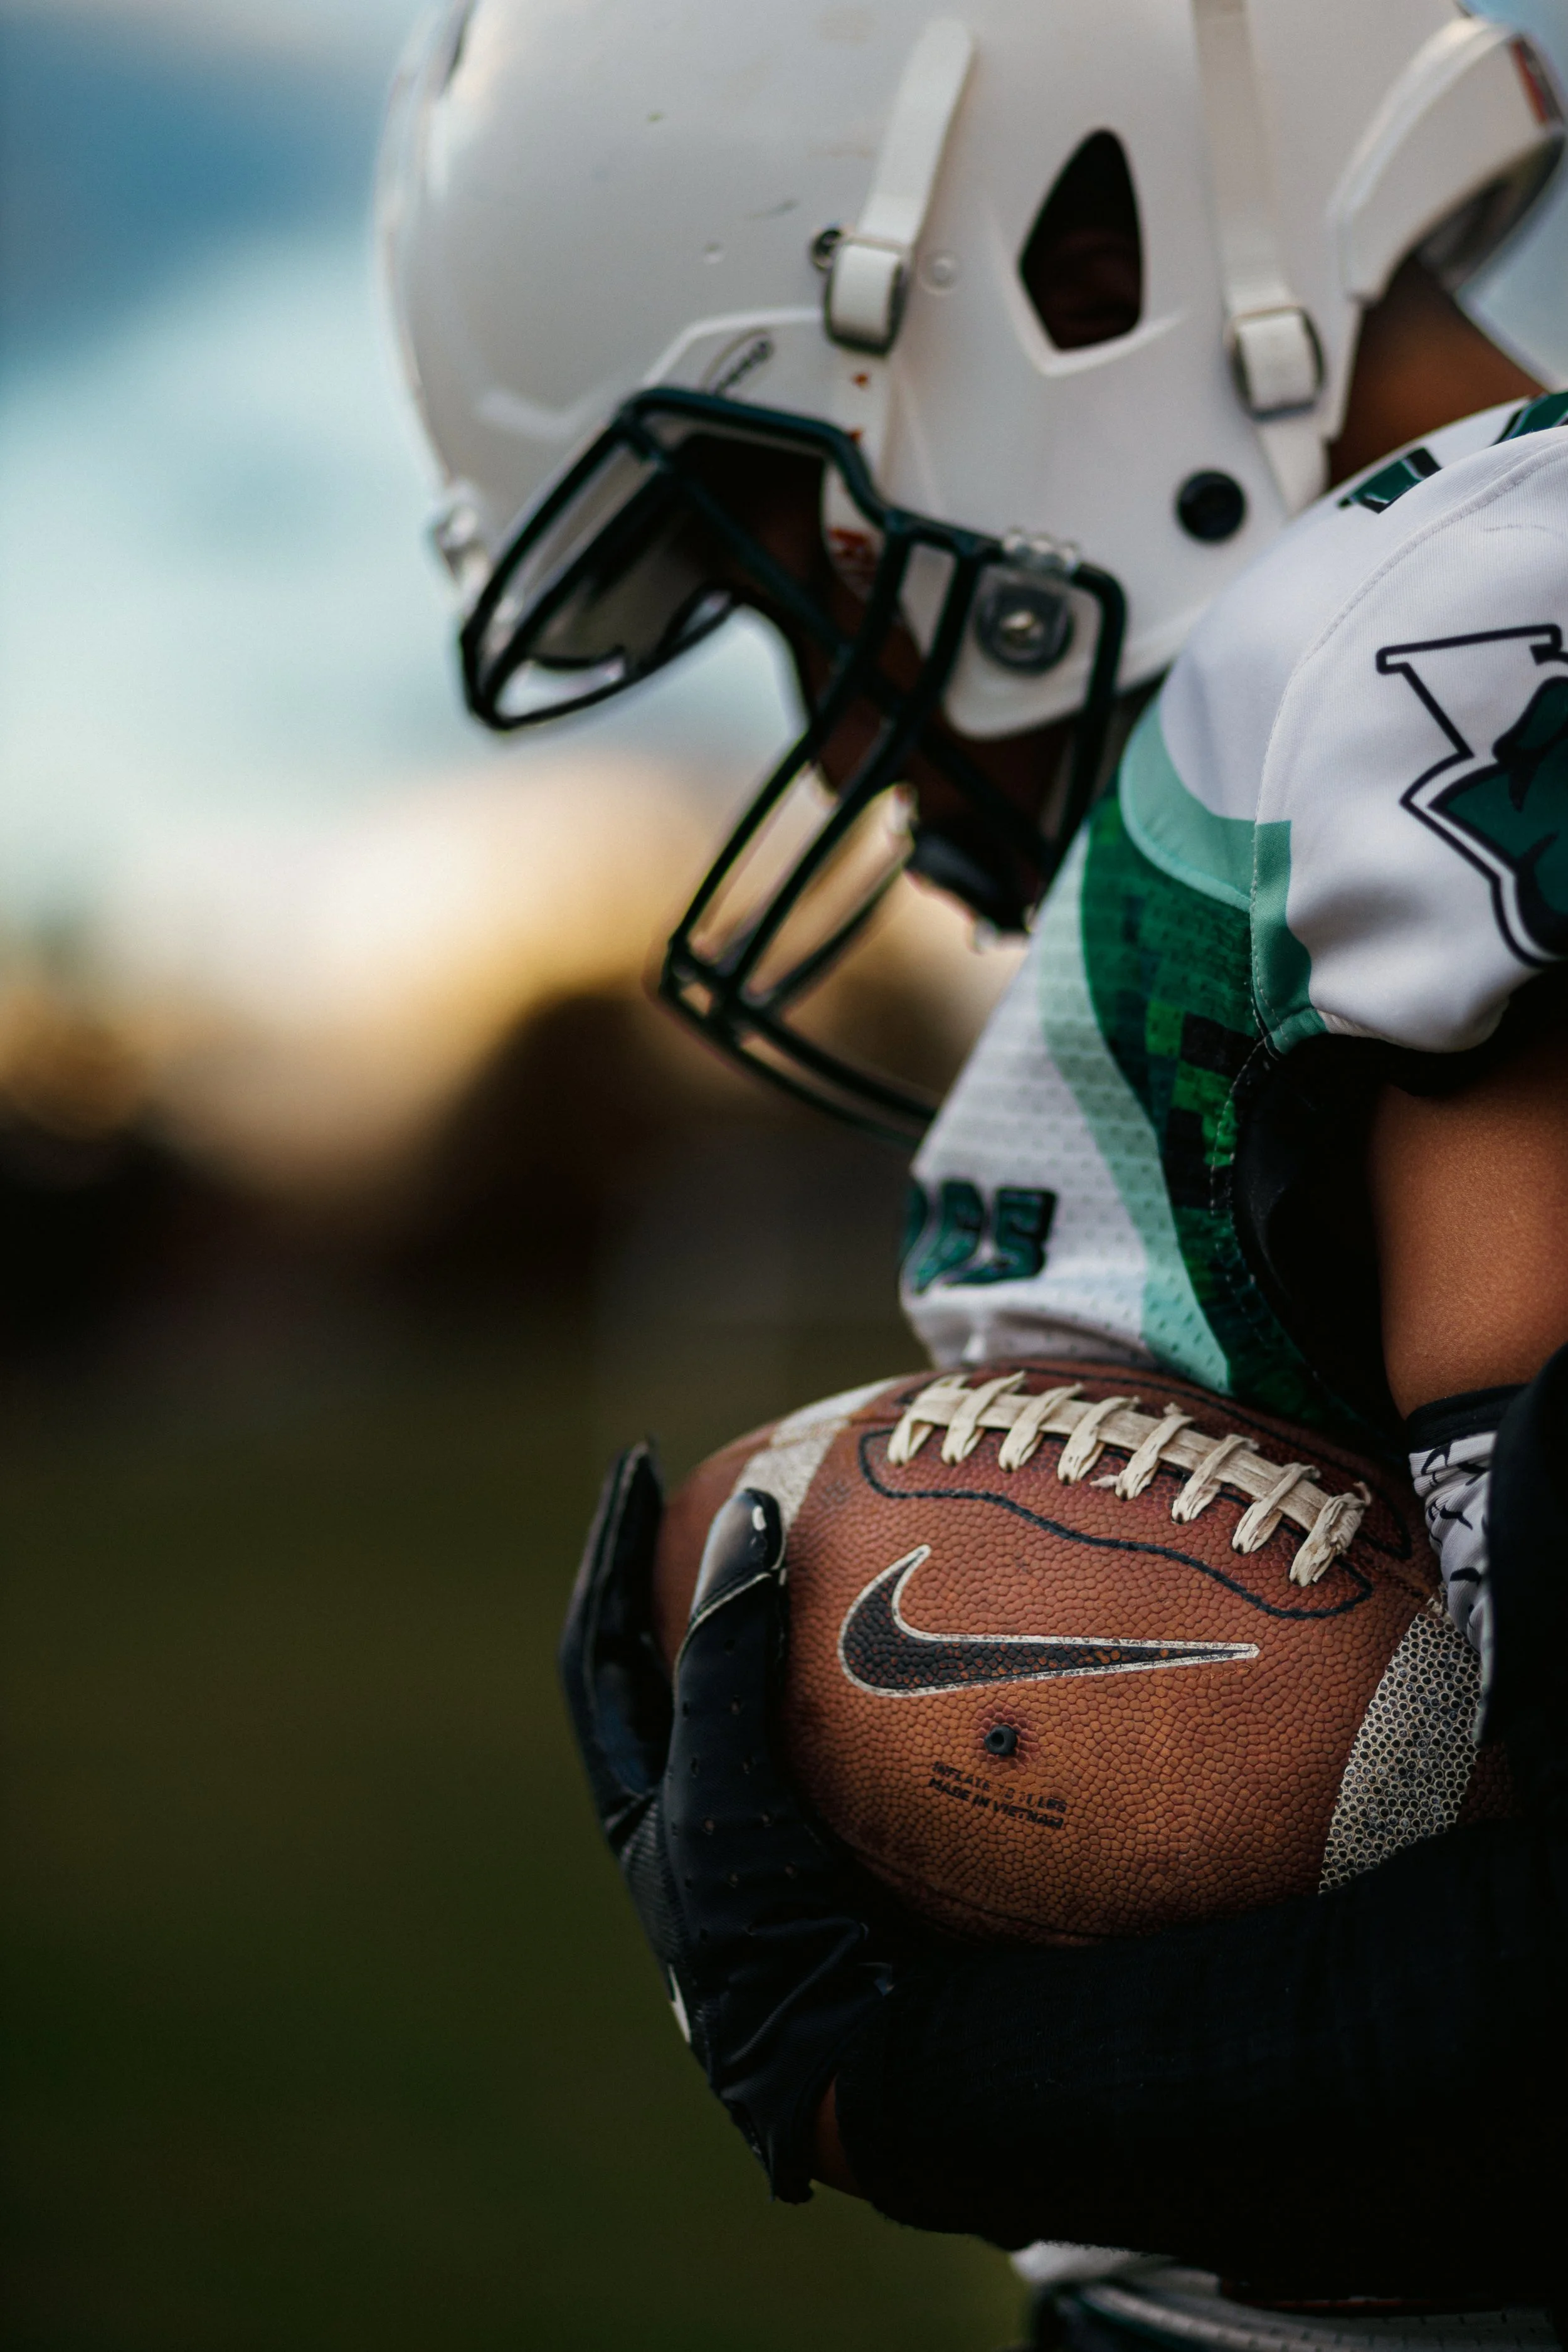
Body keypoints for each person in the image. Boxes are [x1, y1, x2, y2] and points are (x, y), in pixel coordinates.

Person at [380, 0, 1568, 2325]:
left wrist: (901, 2086)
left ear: (1069, 256)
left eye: (775, 546)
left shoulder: (1447, 657)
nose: (840, 701)